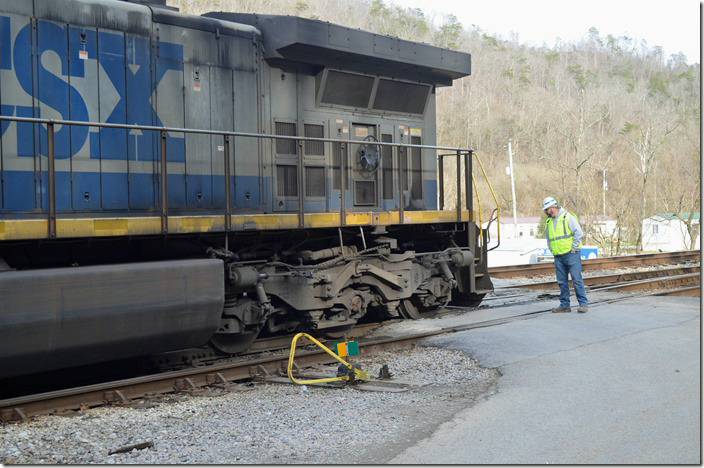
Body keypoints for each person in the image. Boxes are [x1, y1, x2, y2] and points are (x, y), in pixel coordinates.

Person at [542, 197, 588, 313]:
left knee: (576, 279)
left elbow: (578, 233)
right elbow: (549, 239)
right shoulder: (549, 222)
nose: (545, 212)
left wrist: (574, 248)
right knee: (562, 282)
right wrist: (552, 249)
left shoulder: (567, 217)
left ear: (552, 208)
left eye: (546, 210)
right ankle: (564, 305)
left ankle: (583, 304)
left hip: (571, 254)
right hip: (558, 256)